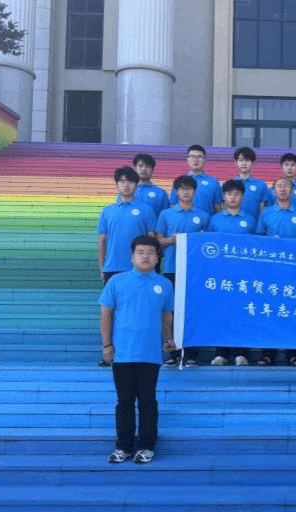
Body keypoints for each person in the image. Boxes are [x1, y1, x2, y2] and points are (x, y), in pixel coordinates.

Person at [100, 235, 175, 464]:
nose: (145, 256)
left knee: (147, 401)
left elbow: (166, 316)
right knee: (124, 401)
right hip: (122, 353)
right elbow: (106, 313)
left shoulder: (164, 284)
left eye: (151, 252)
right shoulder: (117, 281)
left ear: (157, 258)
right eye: (140, 252)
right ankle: (123, 446)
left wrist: (168, 339)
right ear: (132, 257)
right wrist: (107, 345)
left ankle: (146, 446)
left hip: (150, 354)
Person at [97, 166, 157, 366]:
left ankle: (136, 353)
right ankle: (108, 352)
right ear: (116, 185)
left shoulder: (146, 210)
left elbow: (151, 240)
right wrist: (102, 267)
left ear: (136, 185)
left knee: (138, 311)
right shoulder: (108, 211)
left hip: (140, 270)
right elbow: (102, 241)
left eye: (130, 181)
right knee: (110, 312)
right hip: (113, 268)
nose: (126, 185)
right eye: (122, 181)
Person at [156, 175, 209, 367]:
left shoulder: (203, 216)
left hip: (195, 270)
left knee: (192, 310)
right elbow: (158, 239)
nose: (186, 192)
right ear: (176, 192)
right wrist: (172, 240)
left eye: (189, 189)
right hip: (172, 268)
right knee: (170, 311)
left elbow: (208, 243)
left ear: (195, 192)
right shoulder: (166, 214)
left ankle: (191, 353)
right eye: (182, 189)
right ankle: (173, 352)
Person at [256, 177, 296, 366]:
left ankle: (293, 353)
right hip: (270, 270)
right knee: (269, 310)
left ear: (292, 191)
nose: (283, 189)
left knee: (292, 310)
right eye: (279, 186)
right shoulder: (266, 213)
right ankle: (267, 353)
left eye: (286, 186)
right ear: (273, 191)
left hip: (293, 271)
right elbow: (259, 239)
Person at [208, 179, 256, 366]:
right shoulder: (215, 219)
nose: (233, 197)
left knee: (242, 311)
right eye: (229, 194)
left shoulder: (250, 220)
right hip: (221, 273)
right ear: (224, 197)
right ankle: (221, 353)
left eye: (236, 194)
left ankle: (240, 353)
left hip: (244, 273)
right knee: (221, 311)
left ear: (242, 197)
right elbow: (209, 245)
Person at [169, 145, 222, 217]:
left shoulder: (213, 182)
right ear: (187, 160)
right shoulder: (180, 181)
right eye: (192, 157)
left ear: (204, 160)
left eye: (199, 157)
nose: (196, 160)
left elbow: (218, 207)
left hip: (206, 222)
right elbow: (173, 205)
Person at [267, 153, 296, 219]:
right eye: (286, 165)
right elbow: (267, 211)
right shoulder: (272, 189)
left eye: (293, 165)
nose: (289, 168)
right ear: (281, 167)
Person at [233, 146, 270, 220]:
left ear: (253, 163)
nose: (244, 163)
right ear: (236, 162)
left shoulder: (261, 185)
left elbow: (262, 209)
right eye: (241, 160)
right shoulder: (230, 185)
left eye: (247, 160)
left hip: (253, 224)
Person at [133, 153, 169, 220]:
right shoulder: (127, 191)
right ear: (135, 168)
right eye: (140, 166)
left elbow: (165, 218)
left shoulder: (161, 193)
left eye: (147, 167)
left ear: (153, 170)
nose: (144, 169)